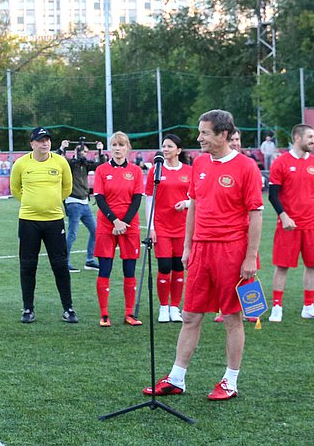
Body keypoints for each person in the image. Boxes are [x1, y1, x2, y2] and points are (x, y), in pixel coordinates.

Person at [143, 110, 263, 401]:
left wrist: (250, 257)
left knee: (233, 318)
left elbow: (256, 214)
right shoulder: (198, 164)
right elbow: (194, 206)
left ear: (222, 135)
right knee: (190, 315)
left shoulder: (247, 167)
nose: (199, 138)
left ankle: (230, 382)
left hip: (232, 251)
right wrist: (187, 247)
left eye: (205, 133)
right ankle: (176, 378)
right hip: (200, 250)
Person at [10, 127, 79, 324]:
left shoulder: (60, 162)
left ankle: (68, 308)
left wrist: (53, 202)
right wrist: (32, 203)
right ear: (32, 143)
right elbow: (15, 188)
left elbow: (67, 187)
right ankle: (28, 309)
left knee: (60, 265)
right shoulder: (22, 164)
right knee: (28, 265)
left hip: (54, 220)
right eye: (40, 140)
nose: (45, 143)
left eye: (47, 139)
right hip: (28, 221)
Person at [267, 124, 314, 322]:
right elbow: (273, 195)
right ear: (297, 137)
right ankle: (277, 308)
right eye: (310, 137)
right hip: (288, 224)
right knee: (282, 265)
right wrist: (284, 215)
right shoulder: (281, 162)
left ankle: (309, 307)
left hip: (312, 223)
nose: (313, 140)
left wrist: (309, 206)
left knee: (313, 265)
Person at [92, 132, 146, 327]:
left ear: (127, 148)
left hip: (129, 226)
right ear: (110, 148)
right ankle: (104, 314)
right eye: (114, 144)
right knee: (105, 268)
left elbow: (137, 198)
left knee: (129, 270)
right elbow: (99, 198)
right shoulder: (101, 170)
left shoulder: (136, 171)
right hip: (107, 225)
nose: (117, 148)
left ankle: (129, 313)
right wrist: (115, 221)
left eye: (121, 145)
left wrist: (124, 223)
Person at [146, 133, 193, 323]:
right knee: (164, 267)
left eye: (169, 146)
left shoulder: (189, 171)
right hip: (162, 227)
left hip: (183, 227)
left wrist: (186, 203)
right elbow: (149, 198)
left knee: (178, 267)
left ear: (178, 150)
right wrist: (150, 227)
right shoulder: (155, 171)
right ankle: (163, 307)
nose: (165, 149)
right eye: (164, 146)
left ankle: (175, 307)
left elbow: (197, 198)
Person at [60, 139, 102, 273]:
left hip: (84, 203)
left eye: (85, 151)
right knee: (72, 234)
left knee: (95, 231)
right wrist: (62, 148)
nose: (84, 153)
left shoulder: (85, 165)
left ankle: (90, 260)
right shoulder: (70, 164)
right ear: (75, 152)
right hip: (73, 202)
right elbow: (60, 161)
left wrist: (100, 151)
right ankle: (64, 262)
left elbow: (100, 165)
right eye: (81, 151)